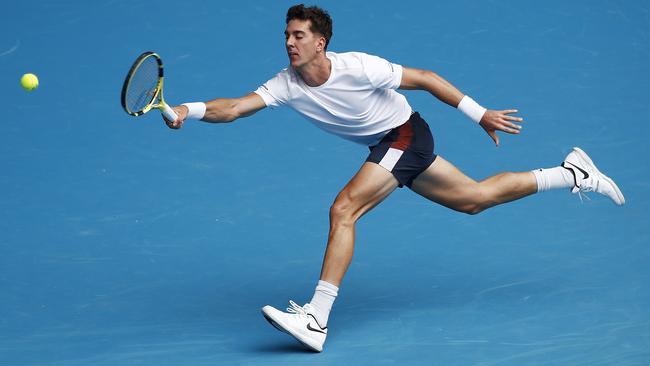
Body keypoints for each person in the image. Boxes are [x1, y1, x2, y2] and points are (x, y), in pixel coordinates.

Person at [163, 4, 625, 352]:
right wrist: (190, 110)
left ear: (320, 42)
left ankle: (316, 318)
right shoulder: (285, 83)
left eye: (299, 35)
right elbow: (237, 107)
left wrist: (479, 112)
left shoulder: (359, 66)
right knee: (474, 198)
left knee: (344, 209)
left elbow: (424, 77)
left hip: (404, 135)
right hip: (392, 147)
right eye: (287, 34)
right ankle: (571, 172)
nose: (289, 42)